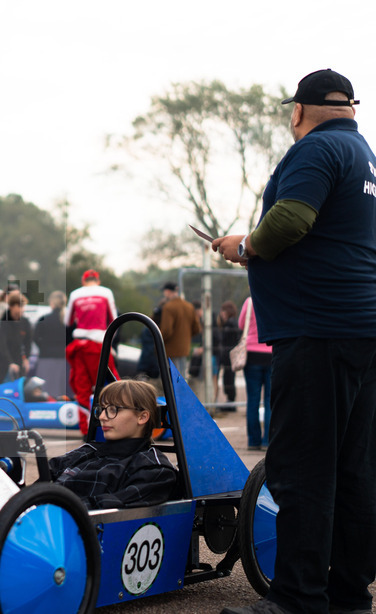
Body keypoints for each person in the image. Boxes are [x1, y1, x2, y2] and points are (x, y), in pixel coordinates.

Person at [213, 69, 376, 614]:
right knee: (354, 470)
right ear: (350, 107)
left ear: (298, 111)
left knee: (303, 468)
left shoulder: (316, 149)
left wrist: (243, 245)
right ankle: (349, 595)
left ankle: (297, 599)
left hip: (316, 330)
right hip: (361, 330)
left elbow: (290, 221)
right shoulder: (367, 158)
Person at [48, 379, 177, 510]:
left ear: (142, 417)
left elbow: (107, 508)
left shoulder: (153, 469)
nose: (102, 417)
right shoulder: (88, 451)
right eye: (102, 409)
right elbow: (44, 477)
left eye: (112, 409)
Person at [65, 269, 118, 407]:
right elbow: (115, 320)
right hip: (99, 345)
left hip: (79, 345)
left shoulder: (75, 294)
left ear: (83, 281)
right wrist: (110, 343)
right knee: (110, 385)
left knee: (82, 388)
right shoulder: (106, 292)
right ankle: (115, 419)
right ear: (98, 281)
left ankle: (85, 426)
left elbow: (67, 321)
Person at [238, 297, 270, 451]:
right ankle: (268, 440)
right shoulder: (275, 298)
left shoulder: (250, 302)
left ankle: (253, 440)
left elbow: (241, 324)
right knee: (271, 400)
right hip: (271, 351)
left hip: (252, 354)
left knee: (253, 399)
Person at [158, 281, 201, 378]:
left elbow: (167, 330)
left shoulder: (168, 307)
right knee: (181, 379)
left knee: (170, 382)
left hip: (170, 350)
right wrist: (185, 337)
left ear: (168, 292)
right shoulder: (189, 306)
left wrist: (157, 340)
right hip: (185, 349)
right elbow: (197, 328)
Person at [32, 290, 69, 399]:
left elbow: (35, 337)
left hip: (46, 358)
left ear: (51, 303)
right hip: (63, 359)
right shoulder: (67, 321)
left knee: (45, 391)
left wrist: (43, 348)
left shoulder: (44, 319)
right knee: (61, 391)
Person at [0, 291, 32, 384]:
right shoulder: (4, 321)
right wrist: (10, 363)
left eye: (23, 307)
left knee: (20, 383)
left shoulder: (25, 322)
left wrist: (26, 359)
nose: (22, 309)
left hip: (17, 356)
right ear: (11, 307)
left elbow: (28, 342)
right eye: (19, 306)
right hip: (3, 359)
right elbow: (2, 344)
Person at [212, 300, 240, 409]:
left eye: (223, 311)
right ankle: (230, 401)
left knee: (228, 379)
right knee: (228, 378)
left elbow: (225, 340)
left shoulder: (230, 324)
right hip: (229, 355)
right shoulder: (232, 323)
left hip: (229, 355)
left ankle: (230, 402)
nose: (222, 314)